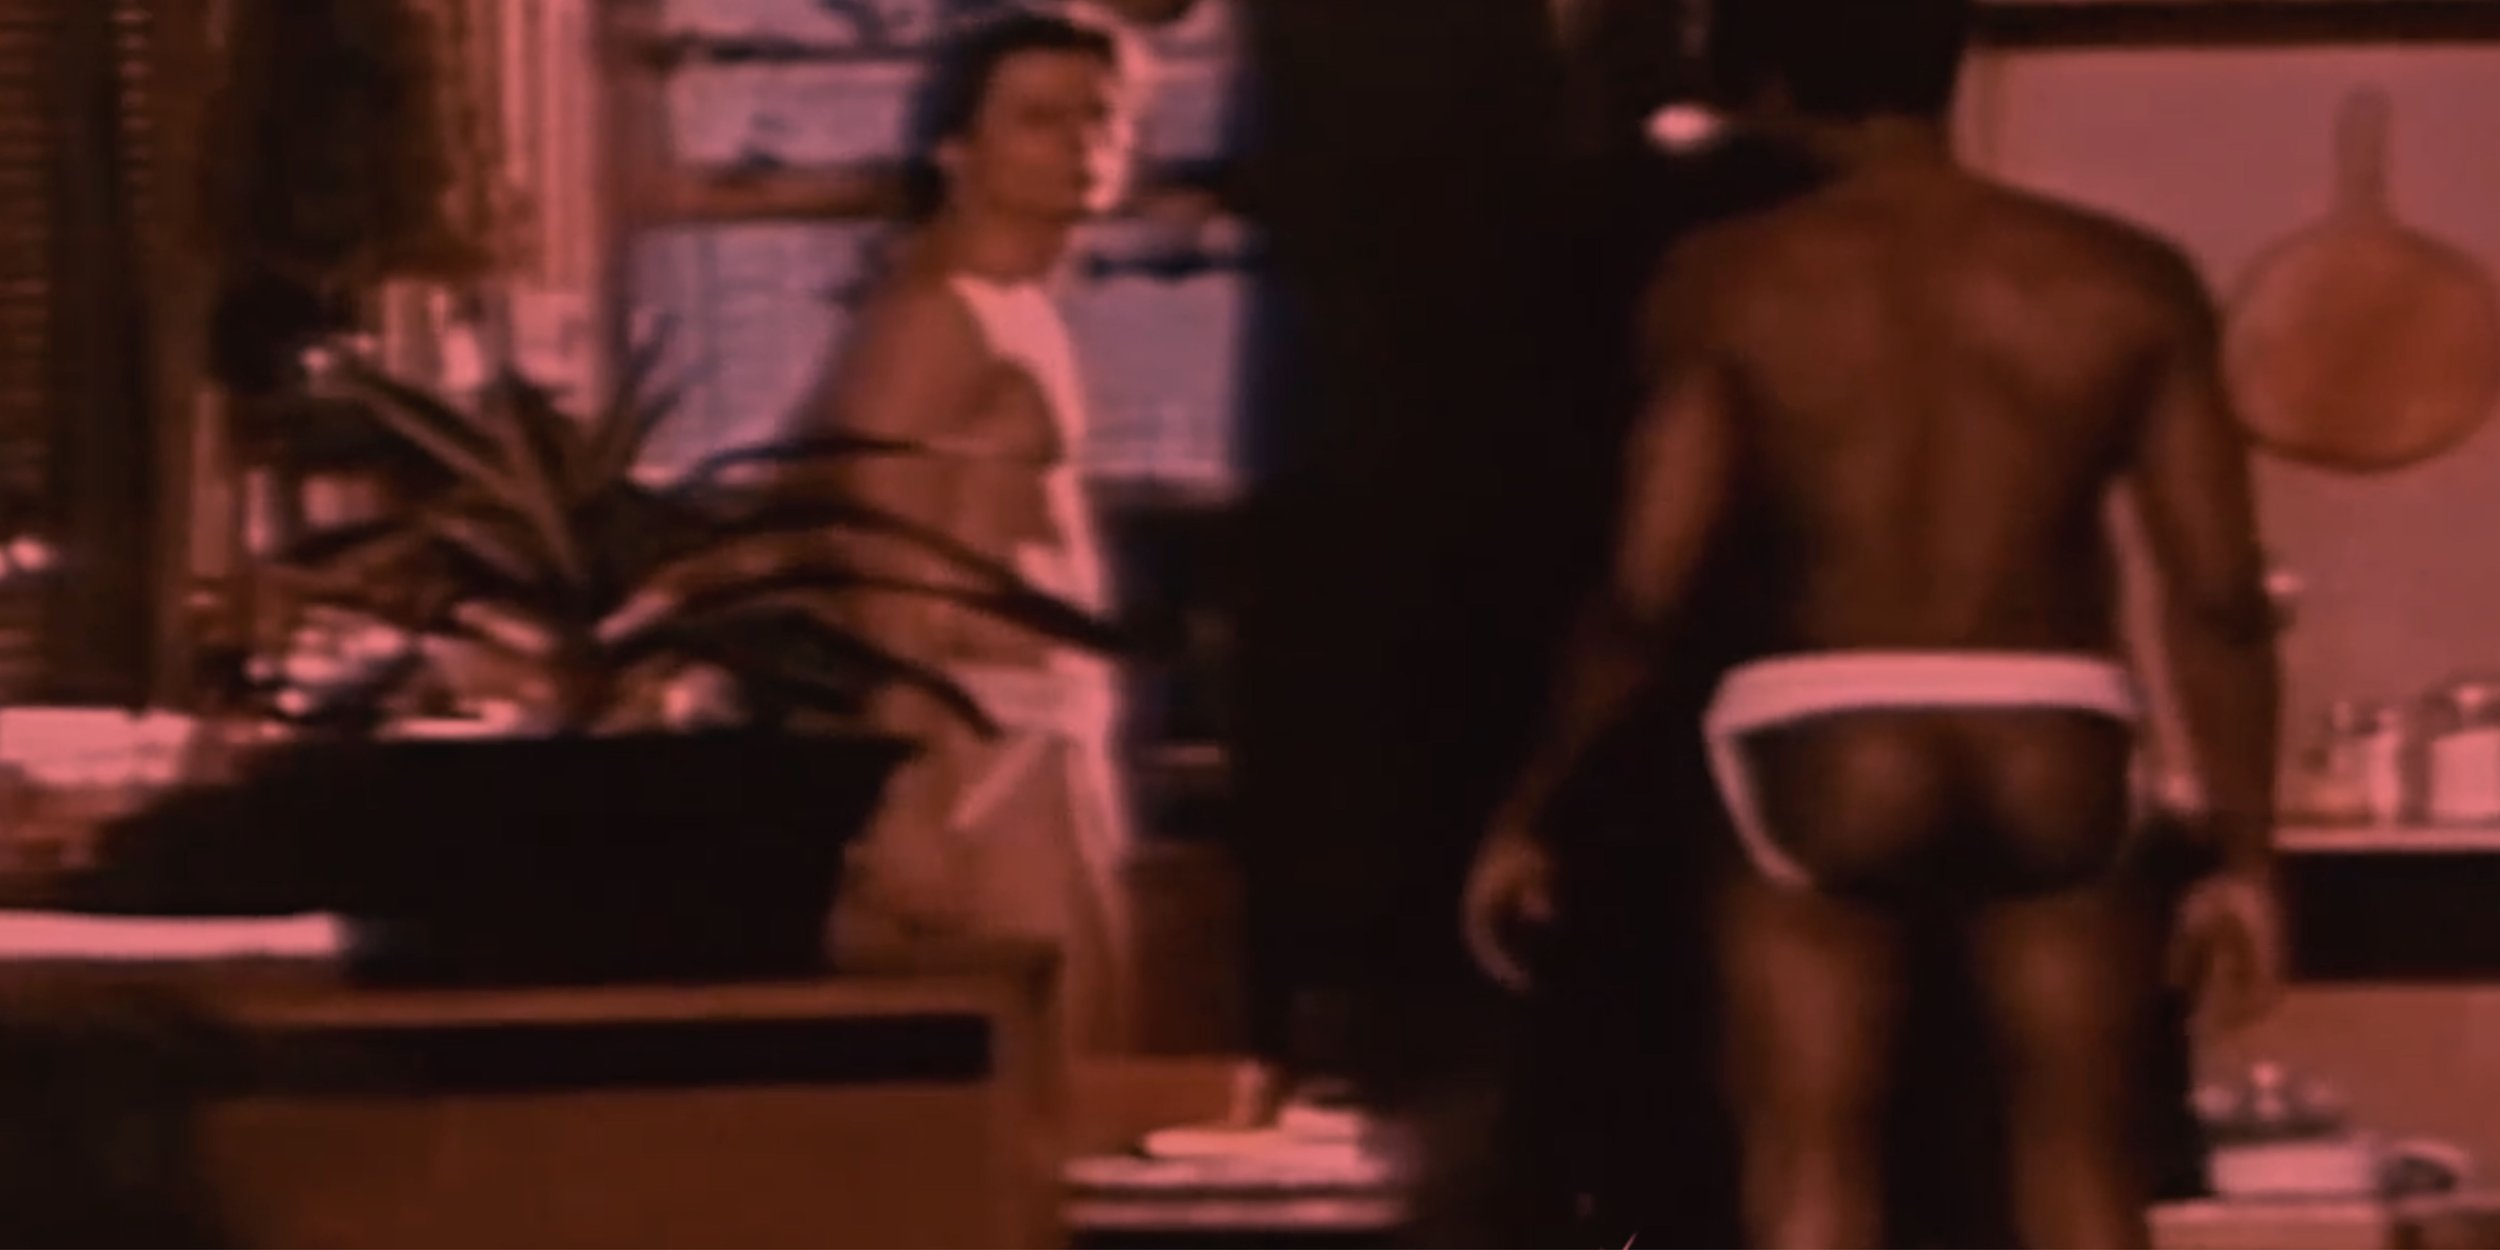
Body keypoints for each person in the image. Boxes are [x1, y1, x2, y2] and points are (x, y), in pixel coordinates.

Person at [1462, 0, 2289, 1245]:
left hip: (1815, 721)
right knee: (2076, 1153)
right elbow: (2218, 595)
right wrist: (2245, 857)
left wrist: (1534, 803)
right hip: (2052, 722)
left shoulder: (1731, 281)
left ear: (1779, 86)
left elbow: (1643, 588)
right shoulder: (2123, 276)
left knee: (1810, 1152)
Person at [809, 8, 1142, 1051]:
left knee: (1089, 1039)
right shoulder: (934, 313)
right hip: (978, 741)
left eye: (1099, 117)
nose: (1080, 146)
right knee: (1045, 1063)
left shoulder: (1018, 305)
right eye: (1039, 119)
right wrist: (908, 792)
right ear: (956, 148)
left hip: (1048, 717)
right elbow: (872, 543)